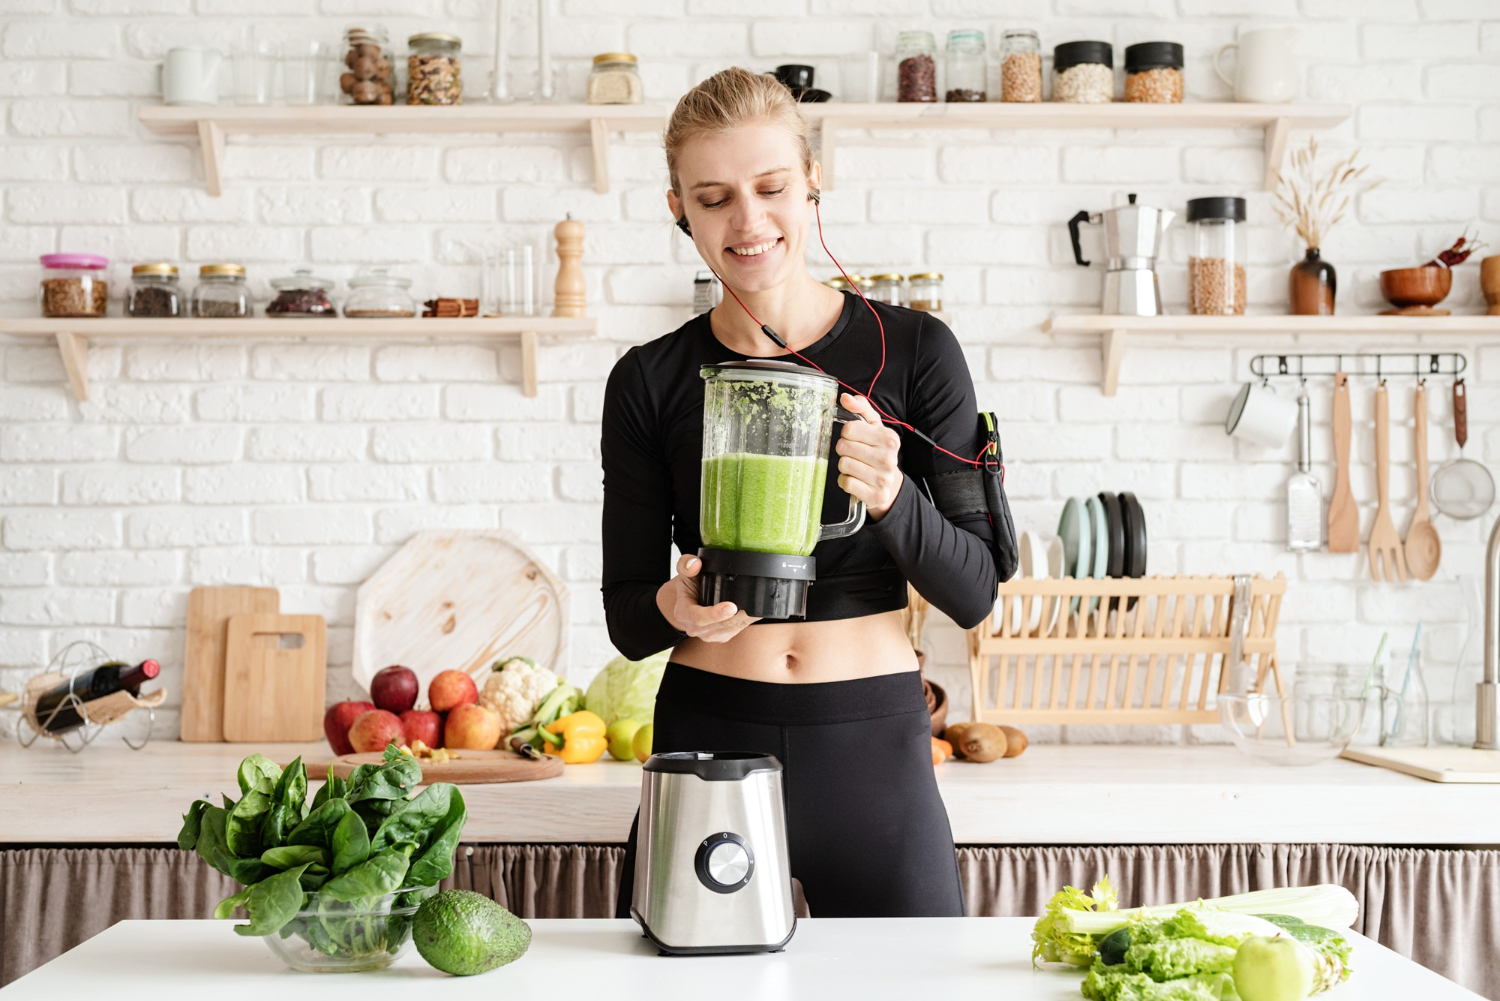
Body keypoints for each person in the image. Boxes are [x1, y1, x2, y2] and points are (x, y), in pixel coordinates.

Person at [602, 67, 1006, 921]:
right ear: (678, 207)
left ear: (813, 179)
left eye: (771, 187)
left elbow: (974, 592)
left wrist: (895, 493)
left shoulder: (919, 350)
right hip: (708, 735)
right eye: (713, 198)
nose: (747, 221)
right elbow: (625, 615)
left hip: (873, 751)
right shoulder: (649, 378)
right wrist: (675, 603)